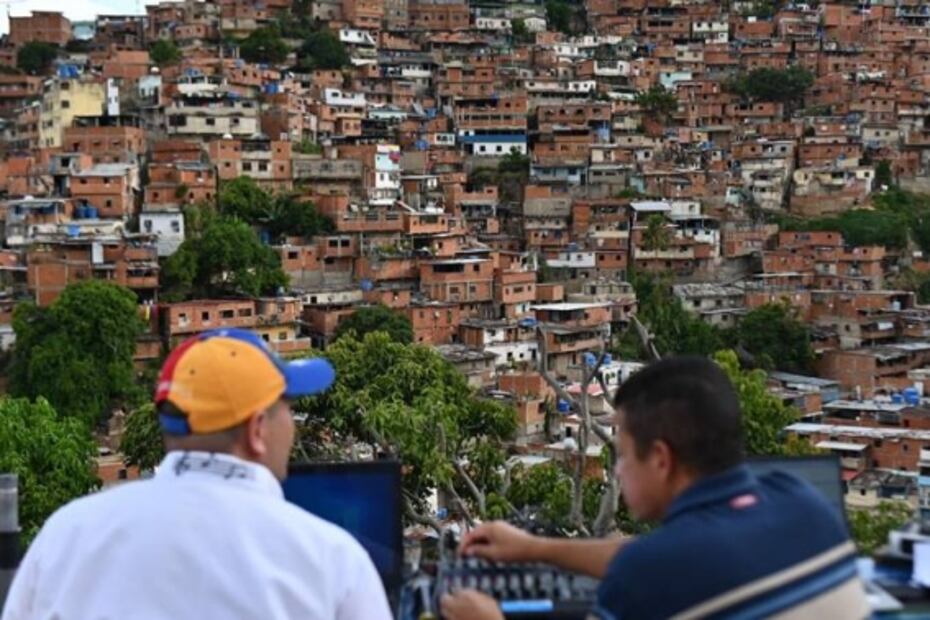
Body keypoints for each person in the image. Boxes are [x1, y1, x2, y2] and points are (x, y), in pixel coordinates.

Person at [2, 328, 392, 620]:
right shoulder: (330, 560)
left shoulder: (66, 536)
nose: (293, 424)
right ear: (257, 431)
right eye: (287, 407)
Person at [442, 356, 869, 620]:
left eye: (623, 455)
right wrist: (536, 549)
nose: (619, 470)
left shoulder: (646, 577)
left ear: (662, 459)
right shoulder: (801, 501)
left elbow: (651, 566)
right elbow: (663, 559)